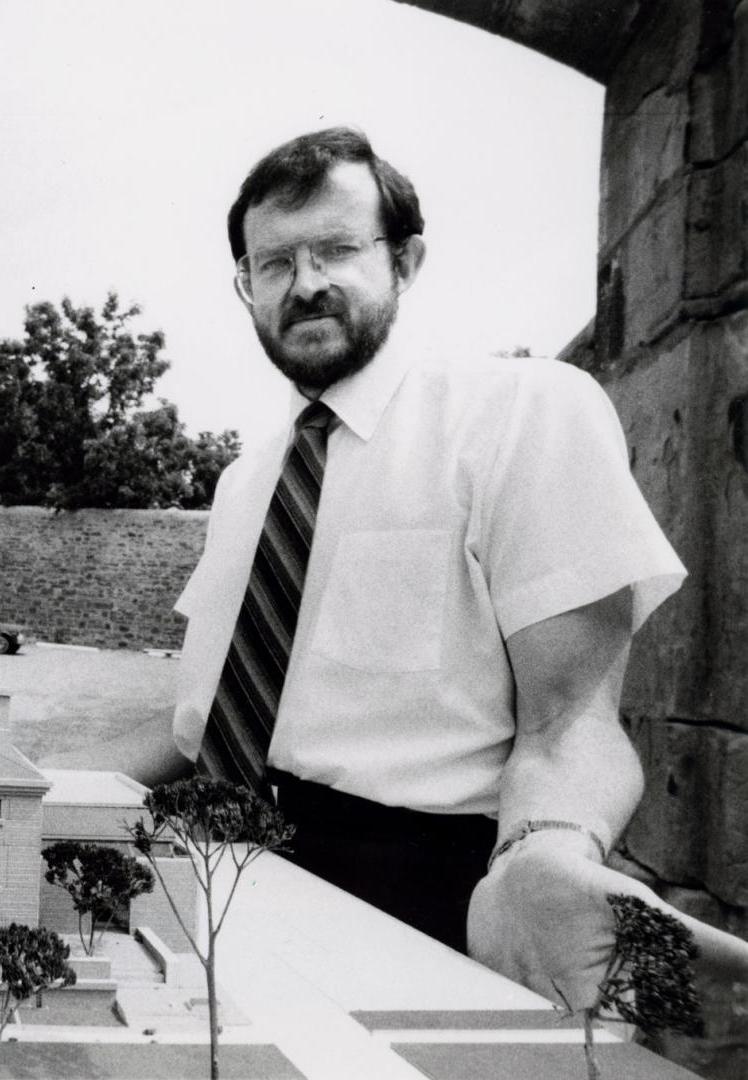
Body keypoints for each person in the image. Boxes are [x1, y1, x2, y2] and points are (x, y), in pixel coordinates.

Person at [47, 127, 748, 1008]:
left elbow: (570, 720)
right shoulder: (241, 482)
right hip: (206, 881)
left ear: (405, 261)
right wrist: (24, 781)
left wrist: (547, 849)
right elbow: (197, 729)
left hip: (410, 902)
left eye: (336, 249)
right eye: (271, 263)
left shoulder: (524, 414)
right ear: (246, 287)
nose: (303, 284)